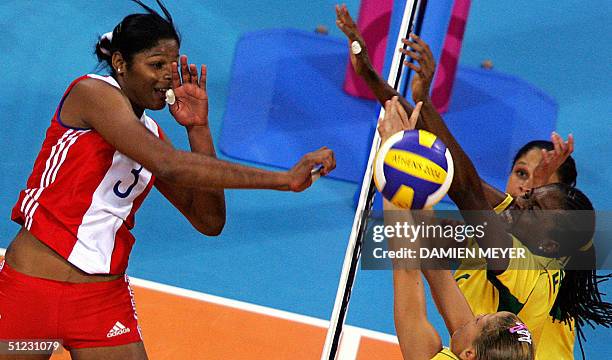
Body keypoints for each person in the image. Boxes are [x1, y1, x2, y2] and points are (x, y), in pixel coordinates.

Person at [0, 1, 335, 359]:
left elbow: (209, 220)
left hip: (99, 304)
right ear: (120, 64)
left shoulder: (151, 134)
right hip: (33, 292)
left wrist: (198, 129)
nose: (167, 77)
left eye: (171, 67)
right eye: (156, 65)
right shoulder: (91, 93)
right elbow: (170, 165)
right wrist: (283, 180)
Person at [335, 4, 610, 359]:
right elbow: (433, 262)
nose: (519, 198)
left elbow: (458, 195)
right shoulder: (537, 252)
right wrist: (378, 84)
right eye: (526, 185)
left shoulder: (522, 270)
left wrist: (398, 158)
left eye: (532, 206)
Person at [381, 94, 535, 360]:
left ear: (468, 354)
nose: (475, 315)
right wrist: (415, 166)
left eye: (479, 320)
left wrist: (392, 157)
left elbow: (406, 268)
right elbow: (438, 272)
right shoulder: (478, 348)